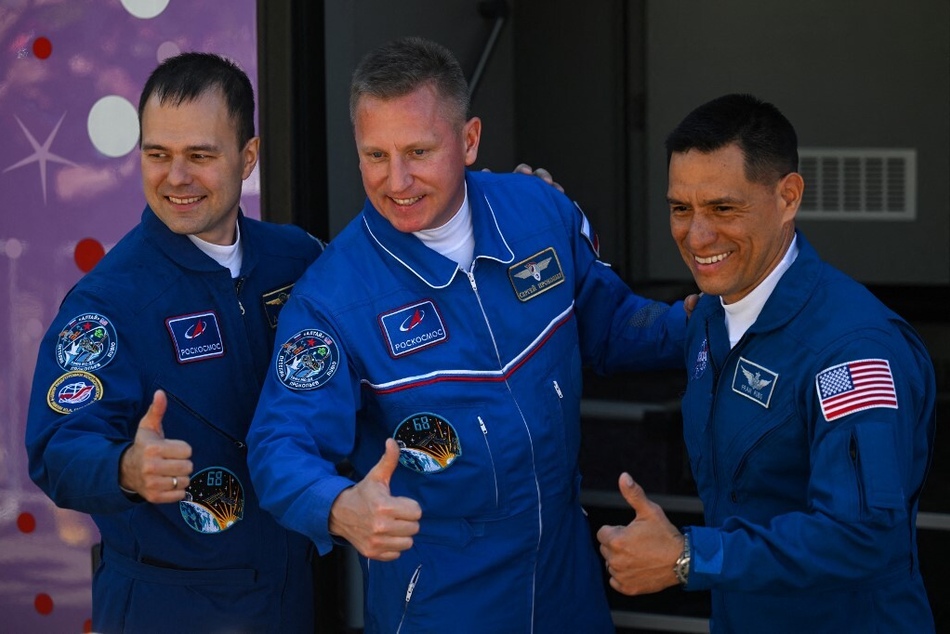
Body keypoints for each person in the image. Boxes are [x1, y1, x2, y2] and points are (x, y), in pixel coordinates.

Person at [246, 36, 688, 633]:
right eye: (375, 156)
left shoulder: (539, 211)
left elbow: (609, 327)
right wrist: (338, 506)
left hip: (565, 582)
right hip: (442, 601)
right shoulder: (331, 299)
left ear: (470, 140)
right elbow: (279, 445)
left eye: (418, 151)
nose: (396, 180)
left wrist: (708, 320)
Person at [597, 93, 936, 632]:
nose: (697, 235)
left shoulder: (854, 349)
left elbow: (862, 534)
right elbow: (610, 330)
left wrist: (688, 557)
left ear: (788, 197)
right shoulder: (710, 314)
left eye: (723, 208)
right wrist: (543, 224)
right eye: (681, 208)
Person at [25, 52, 324, 633]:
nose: (175, 177)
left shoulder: (298, 259)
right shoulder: (108, 302)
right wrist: (126, 468)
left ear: (249, 157)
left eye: (200, 155)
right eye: (157, 154)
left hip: (291, 598)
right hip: (169, 607)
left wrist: (501, 211)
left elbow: (393, 289)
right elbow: (57, 446)